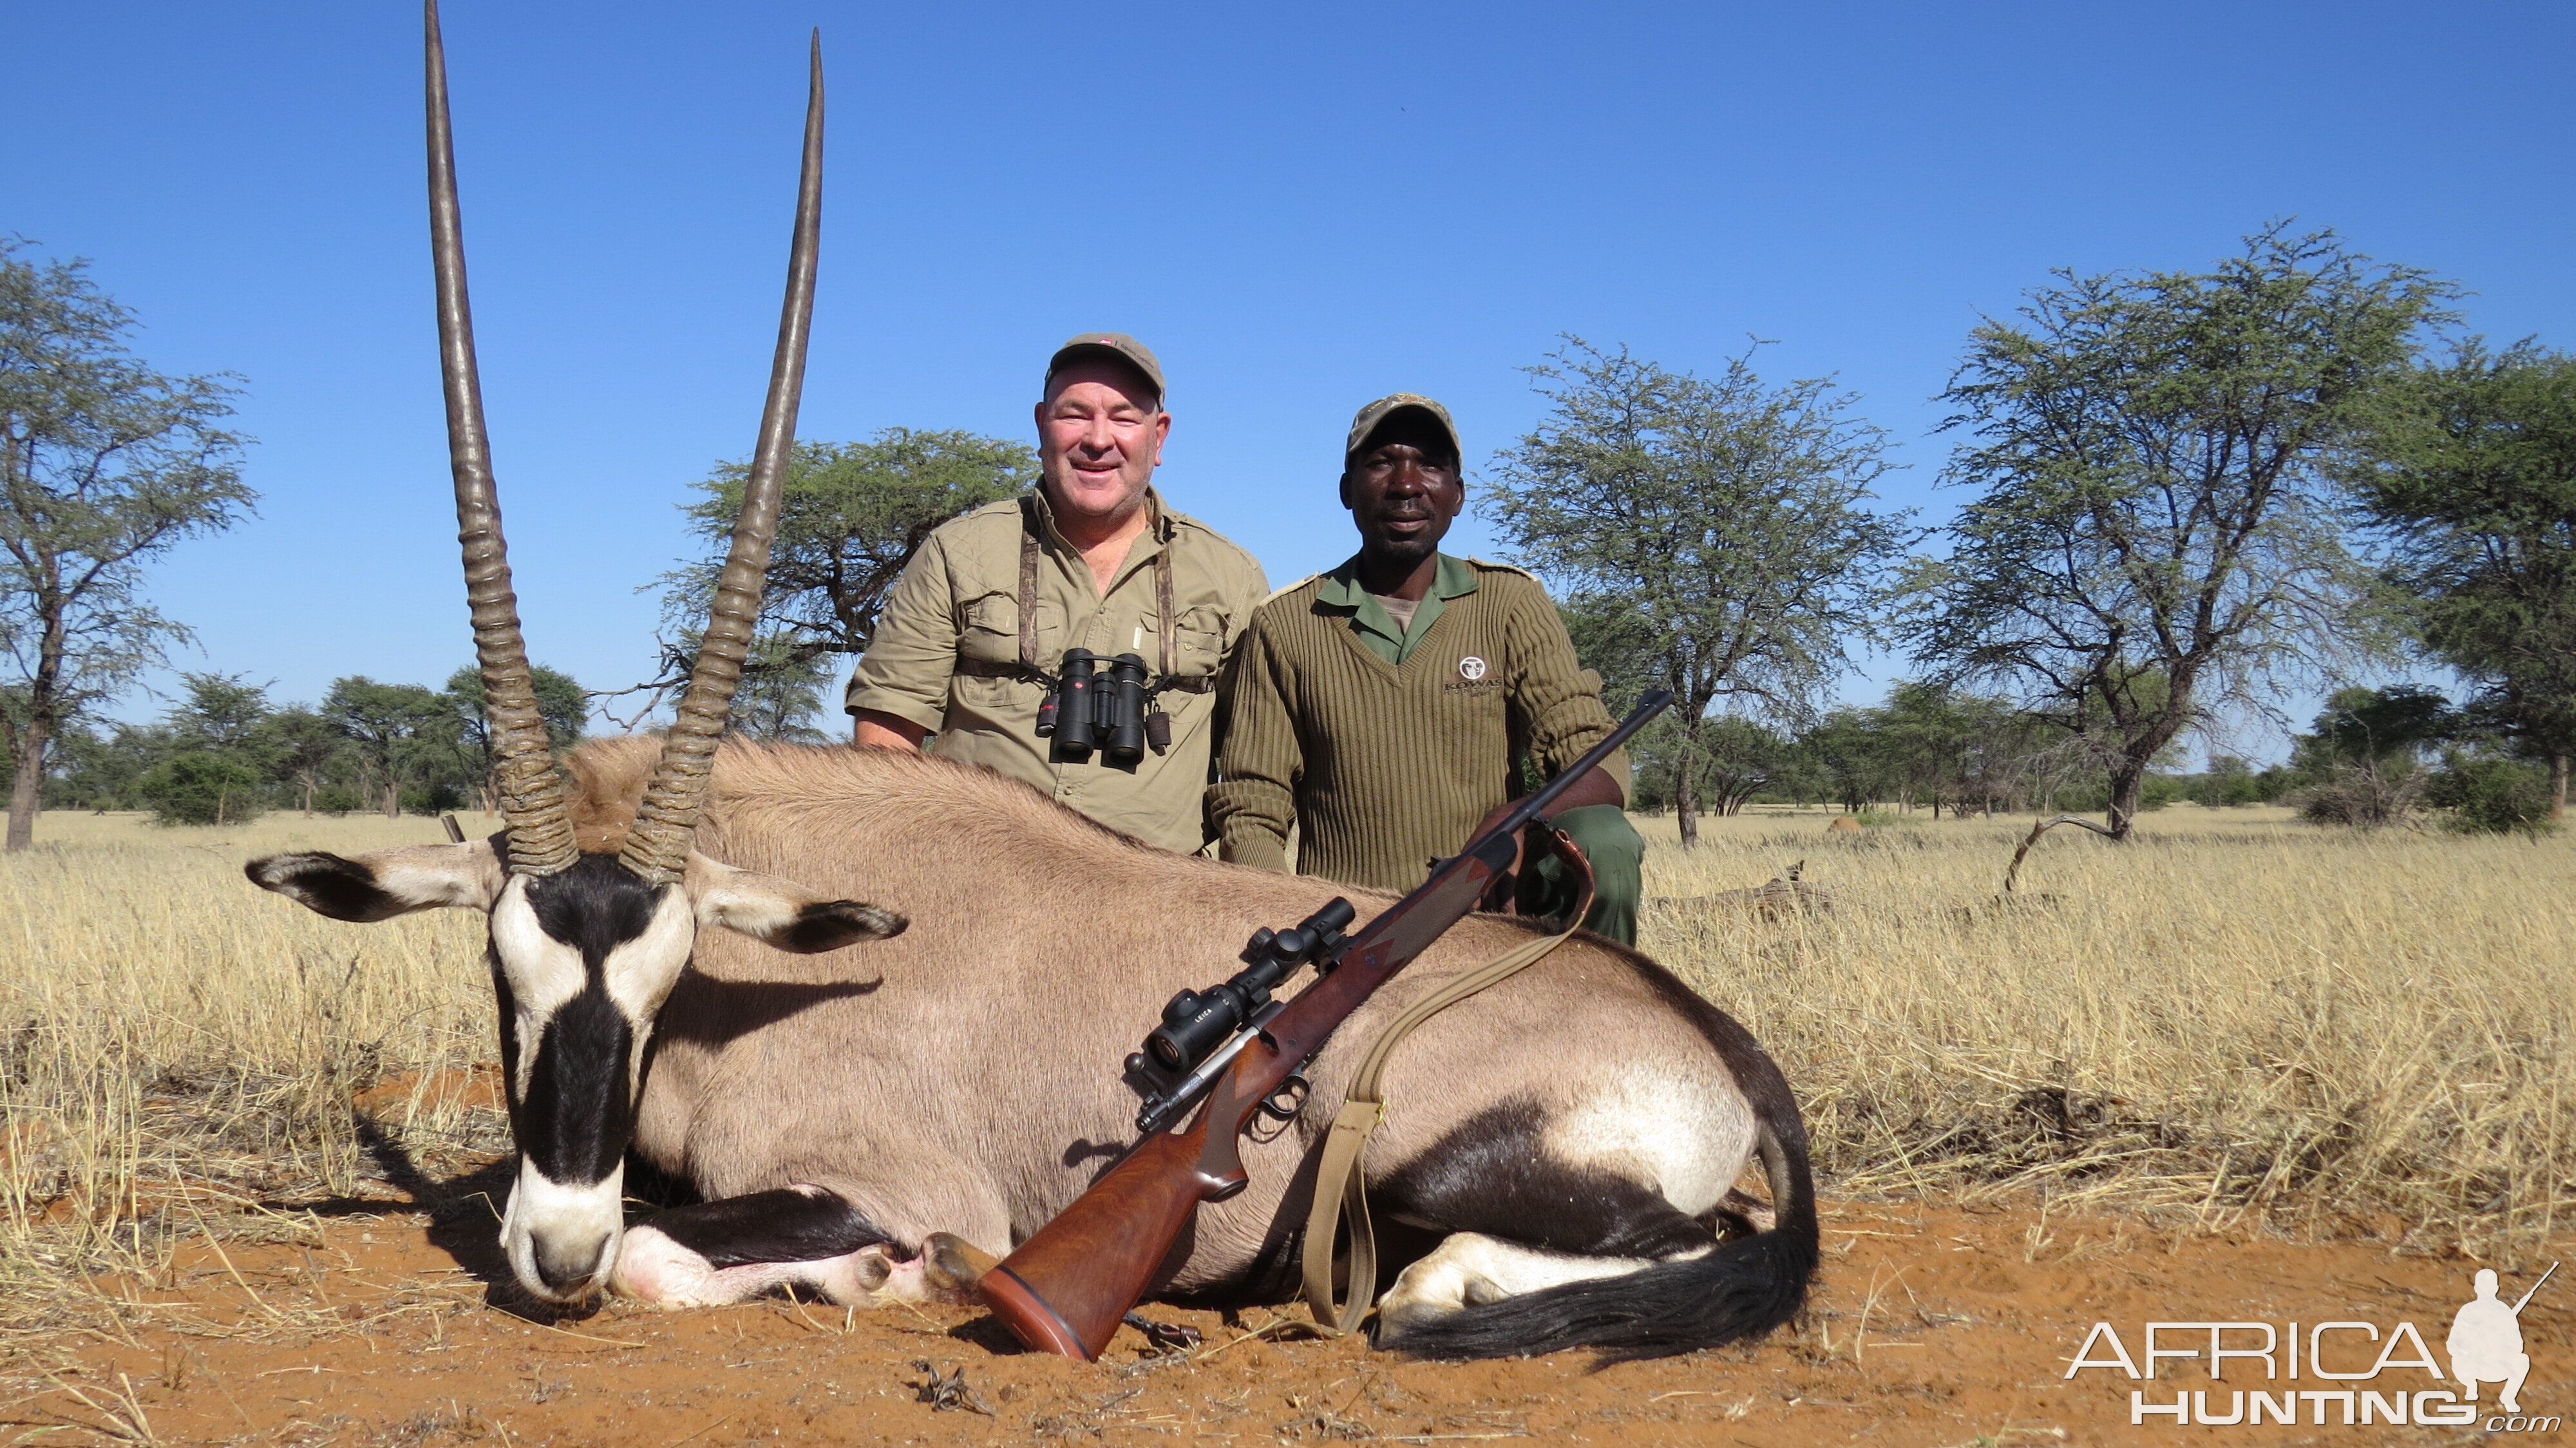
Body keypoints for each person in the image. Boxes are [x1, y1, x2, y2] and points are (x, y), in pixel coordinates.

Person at [1208, 394, 1646, 944]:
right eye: (1382, 461)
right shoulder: (1289, 621)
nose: (1406, 483)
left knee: (1604, 837)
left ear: (1458, 494)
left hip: (1490, 917)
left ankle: (1594, 1011)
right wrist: (1285, 927)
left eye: (1431, 465)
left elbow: (1601, 765)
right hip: (1352, 932)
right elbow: (1253, 801)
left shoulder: (1510, 602)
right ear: (1347, 490)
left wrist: (1509, 826)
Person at [845, 333, 1267, 854]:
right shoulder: (955, 552)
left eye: (1124, 417)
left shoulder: (1231, 574)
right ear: (1042, 423)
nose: (1097, 439)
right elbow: (889, 731)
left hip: (1162, 900)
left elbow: (1258, 770)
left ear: (1159, 437)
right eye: (1074, 414)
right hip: (978, 880)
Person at [2447, 1268, 2534, 1413]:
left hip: (2496, 1366)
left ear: (2476, 1288)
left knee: (2523, 1359)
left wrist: (2497, 1344)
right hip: (2472, 1367)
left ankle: (2508, 1397)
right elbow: (2453, 1344)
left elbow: (2517, 1345)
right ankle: (2471, 1386)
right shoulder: (2468, 1310)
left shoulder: (2504, 1312)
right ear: (2496, 1288)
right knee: (2458, 1358)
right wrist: (2472, 1347)